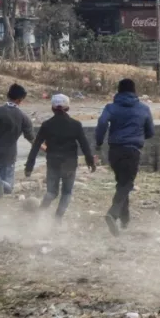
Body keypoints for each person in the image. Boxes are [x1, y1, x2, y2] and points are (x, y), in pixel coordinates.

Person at [95, 79, 155, 237]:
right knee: (126, 184)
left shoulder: (111, 107)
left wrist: (99, 142)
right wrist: (140, 134)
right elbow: (150, 132)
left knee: (122, 183)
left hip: (114, 151)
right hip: (132, 150)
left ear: (118, 91)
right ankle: (113, 214)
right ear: (134, 91)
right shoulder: (143, 109)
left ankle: (125, 220)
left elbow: (101, 122)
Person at [25, 94, 96, 223]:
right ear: (68, 108)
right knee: (67, 193)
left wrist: (29, 166)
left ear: (52, 108)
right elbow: (84, 145)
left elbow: (35, 146)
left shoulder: (47, 125)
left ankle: (40, 212)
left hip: (53, 163)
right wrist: (90, 161)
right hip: (70, 163)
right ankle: (58, 219)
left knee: (51, 192)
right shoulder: (75, 124)